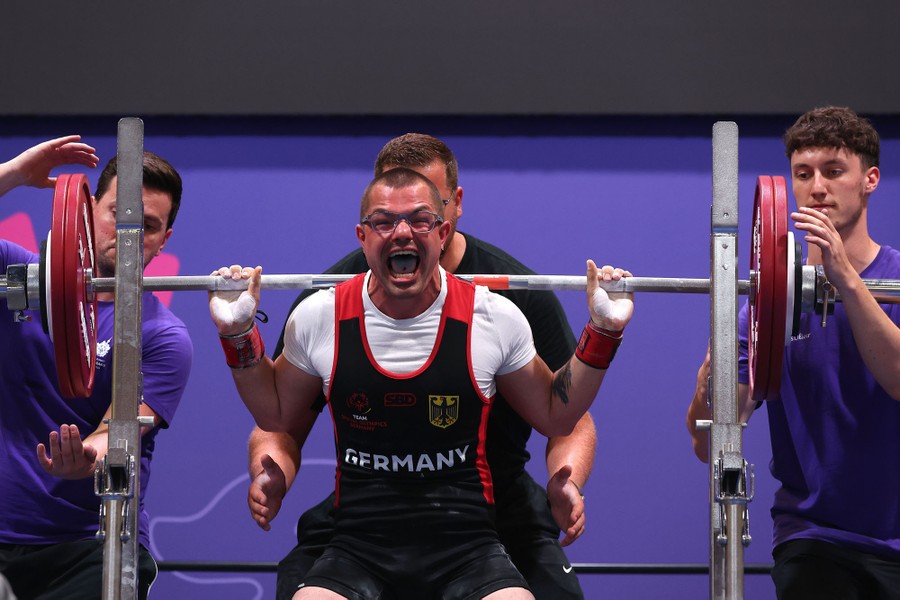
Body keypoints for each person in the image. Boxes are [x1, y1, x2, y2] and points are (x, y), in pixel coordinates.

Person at [209, 167, 633, 599]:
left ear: (443, 231)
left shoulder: (493, 317)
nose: (401, 233)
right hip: (358, 547)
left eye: (419, 220)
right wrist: (237, 334)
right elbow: (273, 413)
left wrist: (603, 332)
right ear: (362, 235)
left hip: (468, 548)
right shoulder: (321, 315)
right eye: (383, 221)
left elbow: (559, 415)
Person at [686, 107, 900, 599]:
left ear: (869, 180)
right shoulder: (766, 308)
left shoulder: (894, 281)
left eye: (833, 171)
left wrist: (845, 279)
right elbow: (710, 445)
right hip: (815, 538)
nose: (817, 187)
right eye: (803, 174)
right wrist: (708, 387)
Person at [0, 137, 193, 599]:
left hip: (91, 548)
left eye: (146, 226)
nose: (129, 236)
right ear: (86, 208)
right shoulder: (16, 276)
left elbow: (116, 432)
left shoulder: (164, 338)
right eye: (118, 217)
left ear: (164, 239)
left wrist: (87, 456)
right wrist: (14, 173)